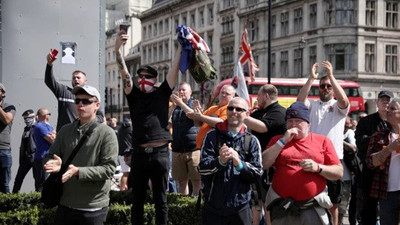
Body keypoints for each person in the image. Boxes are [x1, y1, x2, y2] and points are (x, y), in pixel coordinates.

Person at [115, 30, 181, 225]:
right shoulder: (133, 94)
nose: (142, 79)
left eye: (147, 76)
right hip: (141, 155)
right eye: (140, 76)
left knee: (161, 199)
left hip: (160, 153)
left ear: (154, 78)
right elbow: (123, 73)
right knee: (138, 201)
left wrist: (180, 47)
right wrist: (117, 50)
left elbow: (174, 71)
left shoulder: (162, 93)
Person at [43, 85, 118, 225]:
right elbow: (50, 155)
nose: (80, 105)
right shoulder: (65, 130)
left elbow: (108, 169)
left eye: (86, 101)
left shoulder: (107, 133)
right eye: (77, 101)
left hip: (93, 207)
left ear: (97, 105)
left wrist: (78, 171)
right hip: (65, 204)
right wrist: (52, 163)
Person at [263, 102, 343, 225]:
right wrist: (283, 142)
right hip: (283, 208)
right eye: (290, 121)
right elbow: (263, 164)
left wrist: (318, 168)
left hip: (311, 208)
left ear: (308, 124)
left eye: (298, 121)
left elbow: (338, 172)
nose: (293, 125)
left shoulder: (322, 141)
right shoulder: (277, 140)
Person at [297, 61, 350, 225]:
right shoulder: (312, 105)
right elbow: (299, 102)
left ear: (333, 89)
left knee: (333, 202)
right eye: (322, 86)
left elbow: (344, 100)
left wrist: (332, 76)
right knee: (310, 197)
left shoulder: (338, 107)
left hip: (333, 158)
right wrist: (311, 79)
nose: (325, 88)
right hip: (312, 157)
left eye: (328, 86)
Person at [198, 97, 263, 225]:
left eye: (239, 109)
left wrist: (240, 164)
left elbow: (257, 173)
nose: (234, 111)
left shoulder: (252, 141)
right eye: (230, 108)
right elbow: (202, 168)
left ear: (247, 113)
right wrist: (220, 161)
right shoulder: (212, 135)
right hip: (213, 206)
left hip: (240, 207)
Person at [244, 84, 286, 225]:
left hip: (271, 165)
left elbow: (262, 127)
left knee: (268, 203)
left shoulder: (279, 112)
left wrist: (242, 115)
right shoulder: (261, 112)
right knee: (256, 201)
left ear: (266, 96)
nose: (257, 98)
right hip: (256, 163)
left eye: (259, 95)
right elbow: (249, 127)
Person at [355, 90, 393, 225]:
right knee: (368, 207)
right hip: (370, 170)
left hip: (391, 172)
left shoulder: (395, 123)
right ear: (377, 103)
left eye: (388, 100)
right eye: (382, 100)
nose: (385, 102)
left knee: (390, 208)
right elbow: (359, 142)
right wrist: (377, 141)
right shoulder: (366, 121)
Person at [45, 50, 105, 131]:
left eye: (78, 78)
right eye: (74, 78)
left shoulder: (91, 95)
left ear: (85, 81)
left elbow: (100, 117)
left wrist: (84, 121)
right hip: (64, 137)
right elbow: (49, 81)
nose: (76, 79)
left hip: (82, 136)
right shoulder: (64, 91)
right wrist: (49, 64)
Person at [365, 97, 400, 225]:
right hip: (388, 193)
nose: (387, 110)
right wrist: (390, 148)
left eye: (393, 108)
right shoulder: (379, 135)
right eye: (388, 108)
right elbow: (370, 162)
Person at [169, 82, 200, 195]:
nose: (181, 92)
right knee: (181, 182)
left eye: (184, 90)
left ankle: (196, 204)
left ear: (190, 93)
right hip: (177, 149)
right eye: (180, 90)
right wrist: (173, 105)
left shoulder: (194, 104)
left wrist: (181, 104)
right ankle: (184, 205)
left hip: (193, 149)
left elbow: (193, 116)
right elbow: (165, 120)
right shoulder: (176, 108)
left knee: (196, 181)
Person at [187, 84, 236, 150]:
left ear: (233, 96)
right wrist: (196, 115)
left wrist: (201, 116)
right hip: (201, 147)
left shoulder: (230, 109)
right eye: (222, 92)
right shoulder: (213, 108)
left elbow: (221, 122)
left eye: (227, 94)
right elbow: (199, 124)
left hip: (213, 149)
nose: (223, 95)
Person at [12, 109, 36, 193]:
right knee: (18, 179)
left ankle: (39, 199)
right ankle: (13, 197)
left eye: (28, 118)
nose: (26, 120)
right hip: (26, 159)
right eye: (25, 118)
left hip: (35, 157)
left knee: (38, 180)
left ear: (33, 117)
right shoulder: (26, 129)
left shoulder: (37, 127)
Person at [338, 116, 357, 225]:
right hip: (332, 176)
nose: (346, 127)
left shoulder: (349, 133)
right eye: (345, 125)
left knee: (342, 207)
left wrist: (340, 141)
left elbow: (353, 148)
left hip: (346, 177)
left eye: (348, 125)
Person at [33, 108, 56, 192]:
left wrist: (54, 134)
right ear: (46, 115)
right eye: (49, 114)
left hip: (47, 157)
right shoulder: (40, 126)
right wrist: (54, 135)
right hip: (42, 158)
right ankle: (39, 203)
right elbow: (52, 140)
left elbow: (55, 135)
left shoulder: (47, 126)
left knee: (47, 183)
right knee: (42, 183)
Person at [0, 83, 16, 193]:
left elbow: (6, 119)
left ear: (3, 93)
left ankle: (5, 209)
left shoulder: (9, 107)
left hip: (3, 150)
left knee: (4, 183)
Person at [118, 118, 133, 191]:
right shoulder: (131, 128)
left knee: (125, 173)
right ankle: (122, 190)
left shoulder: (121, 128)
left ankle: (123, 189)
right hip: (129, 152)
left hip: (122, 153)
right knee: (126, 173)